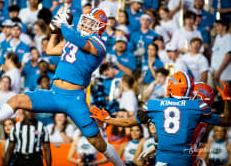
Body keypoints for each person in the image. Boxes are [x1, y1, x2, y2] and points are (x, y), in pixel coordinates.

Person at [0, 8, 125, 166]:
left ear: (99, 27)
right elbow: (50, 49)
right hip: (55, 94)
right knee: (17, 99)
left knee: (96, 141)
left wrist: (63, 25)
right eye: (86, 21)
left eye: (91, 23)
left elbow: (73, 37)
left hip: (74, 99)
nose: (85, 24)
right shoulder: (74, 39)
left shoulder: (99, 44)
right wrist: (55, 31)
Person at [90, 71, 231, 165]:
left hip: (163, 160)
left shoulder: (155, 104)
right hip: (186, 161)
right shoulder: (197, 107)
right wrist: (227, 99)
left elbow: (128, 122)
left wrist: (107, 118)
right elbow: (227, 120)